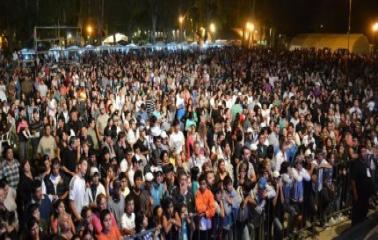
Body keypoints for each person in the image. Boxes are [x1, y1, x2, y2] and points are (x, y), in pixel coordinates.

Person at [195, 173, 216, 240]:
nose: (202, 186)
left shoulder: (209, 193)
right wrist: (207, 207)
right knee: (202, 236)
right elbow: (199, 208)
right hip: (201, 219)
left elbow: (213, 209)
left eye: (204, 184)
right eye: (201, 184)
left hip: (208, 218)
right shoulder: (197, 193)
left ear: (206, 184)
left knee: (209, 236)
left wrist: (206, 213)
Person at [69, 158, 88, 223]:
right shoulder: (74, 180)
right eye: (84, 165)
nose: (86, 167)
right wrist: (79, 218)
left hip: (83, 216)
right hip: (77, 219)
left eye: (87, 166)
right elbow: (71, 202)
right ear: (79, 166)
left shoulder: (83, 180)